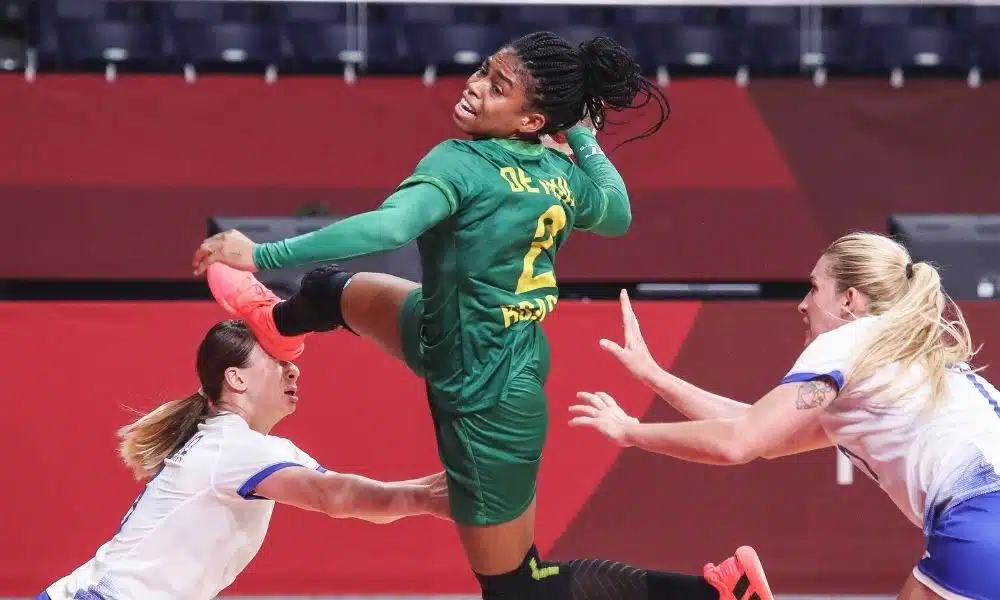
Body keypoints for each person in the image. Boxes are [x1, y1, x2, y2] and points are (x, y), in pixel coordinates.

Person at [191, 31, 774, 600]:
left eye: (498, 87)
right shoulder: (560, 174)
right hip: (446, 326)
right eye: (483, 71)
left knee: (519, 585)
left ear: (529, 121)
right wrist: (580, 137)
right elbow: (618, 212)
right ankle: (277, 324)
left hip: (485, 396)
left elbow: (391, 227)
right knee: (328, 293)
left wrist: (262, 254)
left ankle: (717, 592)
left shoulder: (461, 163)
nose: (475, 88)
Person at [571, 232, 1000, 600]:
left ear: (848, 300)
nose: (802, 304)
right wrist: (655, 377)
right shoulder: (901, 358)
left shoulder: (850, 339)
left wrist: (633, 432)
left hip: (983, 524)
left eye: (814, 288)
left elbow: (737, 443)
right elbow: (763, 435)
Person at [39, 319, 449, 600]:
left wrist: (436, 488)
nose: (294, 371)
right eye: (277, 361)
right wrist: (428, 499)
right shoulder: (237, 448)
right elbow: (335, 497)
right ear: (236, 379)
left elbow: (345, 495)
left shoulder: (239, 444)